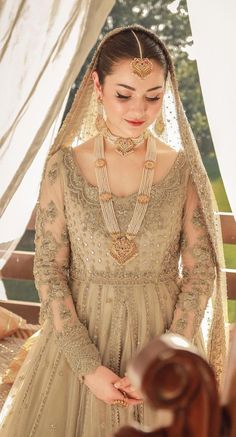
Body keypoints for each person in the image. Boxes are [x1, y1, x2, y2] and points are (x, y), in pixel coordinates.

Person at [0, 24, 227, 436]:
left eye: (154, 97)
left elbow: (200, 274)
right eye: (124, 94)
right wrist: (88, 368)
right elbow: (50, 269)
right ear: (97, 85)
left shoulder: (183, 171)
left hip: (159, 340)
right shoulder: (63, 167)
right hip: (78, 346)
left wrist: (163, 358)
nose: (138, 110)